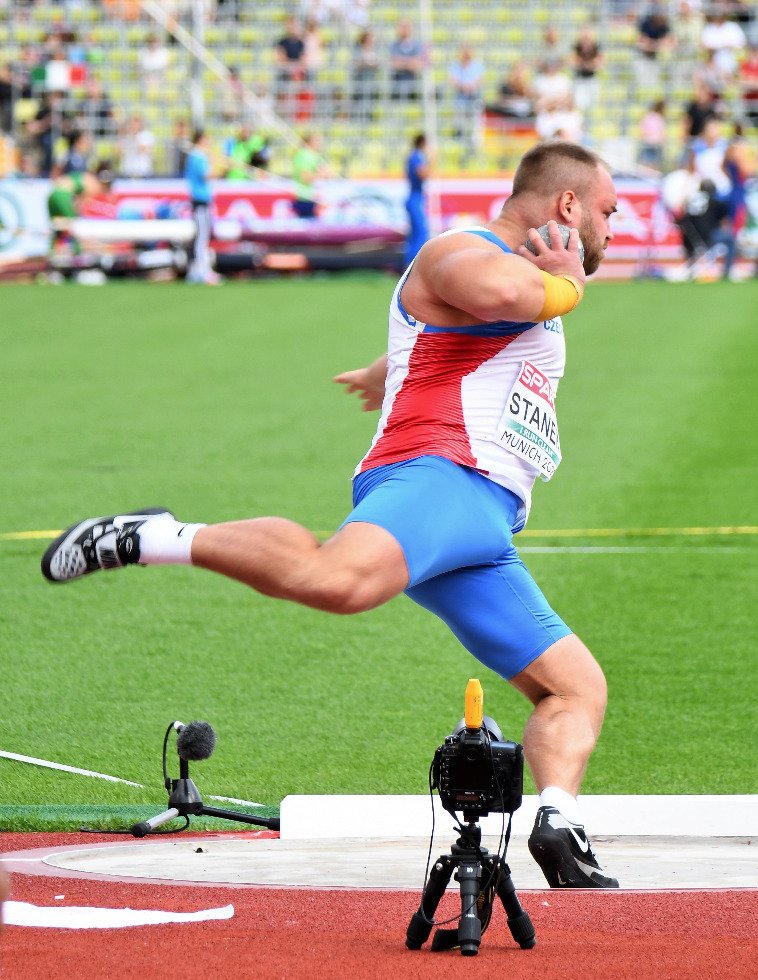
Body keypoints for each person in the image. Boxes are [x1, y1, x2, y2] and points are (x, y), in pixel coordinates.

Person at [41, 140, 620, 891]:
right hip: (437, 477)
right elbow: (500, 295)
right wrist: (569, 284)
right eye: (608, 209)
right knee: (337, 582)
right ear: (567, 206)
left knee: (575, 685)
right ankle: (154, 535)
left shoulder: (523, 275)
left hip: (485, 523)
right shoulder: (462, 249)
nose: (616, 224)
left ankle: (558, 820)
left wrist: (392, 365)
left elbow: (467, 331)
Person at [184, 128, 218, 285]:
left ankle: (201, 270)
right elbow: (206, 174)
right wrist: (220, 166)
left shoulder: (196, 156)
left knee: (202, 236)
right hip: (200, 201)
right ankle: (201, 271)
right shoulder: (198, 156)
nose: (209, 142)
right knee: (201, 237)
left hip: (201, 200)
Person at [403, 132, 430, 267]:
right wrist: (432, 161)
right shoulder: (417, 157)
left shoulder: (413, 156)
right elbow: (423, 175)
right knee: (420, 233)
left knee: (415, 234)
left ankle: (410, 264)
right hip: (415, 198)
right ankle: (414, 265)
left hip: (414, 197)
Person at [291, 132, 330, 218]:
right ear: (310, 142)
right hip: (304, 198)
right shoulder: (304, 155)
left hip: (311, 197)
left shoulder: (313, 155)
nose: (321, 143)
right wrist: (321, 175)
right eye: (318, 141)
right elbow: (305, 177)